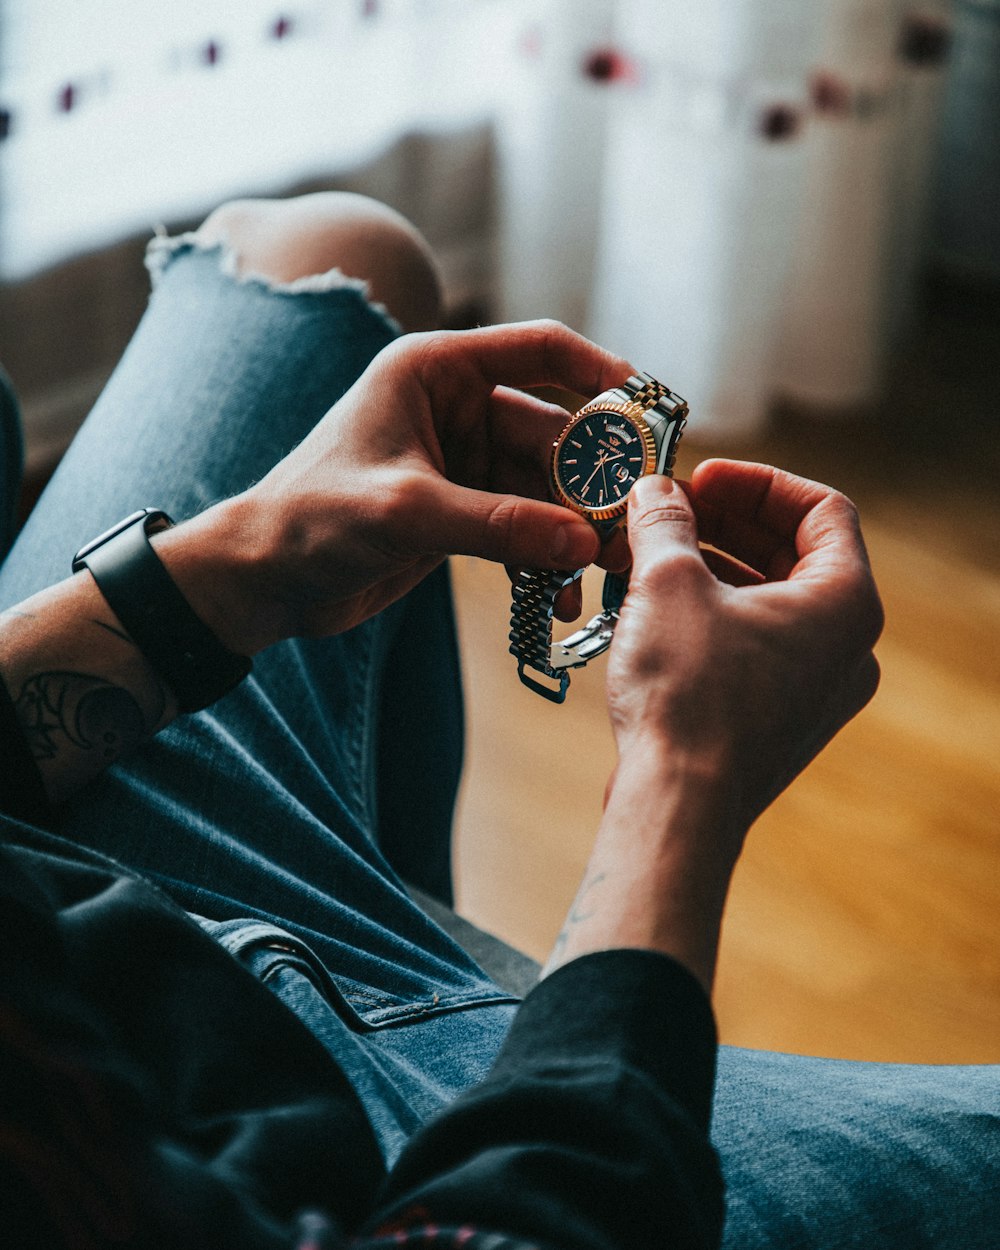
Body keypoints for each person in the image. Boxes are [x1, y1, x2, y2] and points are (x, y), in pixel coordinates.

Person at [0, 192, 995, 1249]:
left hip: (67, 900)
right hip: (309, 1174)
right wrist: (684, 777)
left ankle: (411, 926)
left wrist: (234, 561)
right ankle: (456, 996)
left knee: (335, 254)